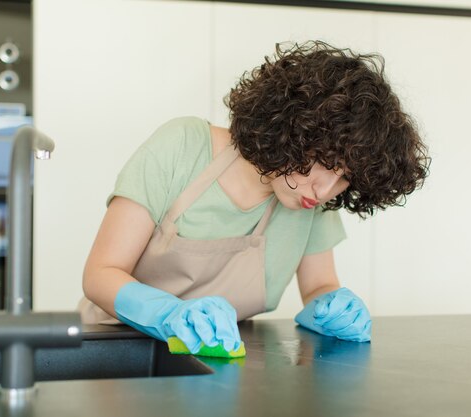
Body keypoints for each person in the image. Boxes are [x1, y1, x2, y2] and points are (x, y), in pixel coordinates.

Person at [79, 41, 430, 353]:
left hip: (219, 355)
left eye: (345, 177)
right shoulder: (182, 146)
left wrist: (330, 310)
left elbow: (319, 286)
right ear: (292, 128)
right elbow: (101, 273)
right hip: (116, 347)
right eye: (324, 162)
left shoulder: (311, 199)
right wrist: (168, 314)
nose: (324, 190)